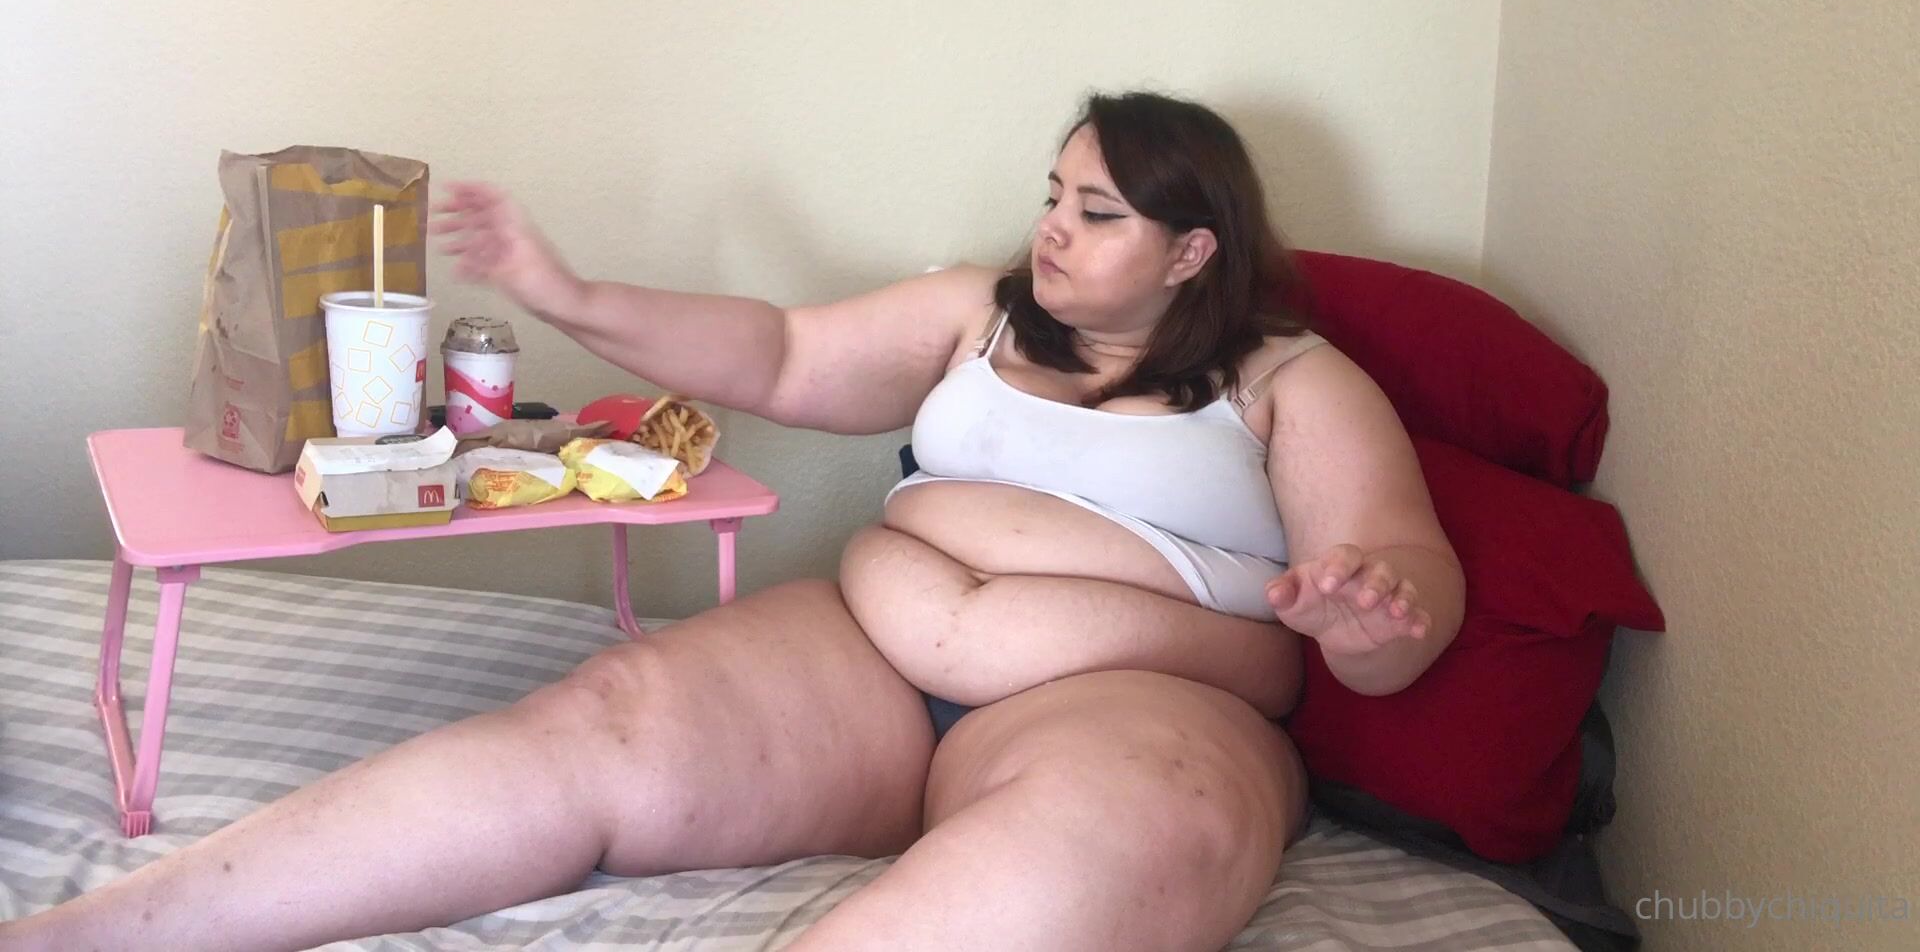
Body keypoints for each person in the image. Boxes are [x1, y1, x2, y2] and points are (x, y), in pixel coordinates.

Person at [3, 92, 1463, 952]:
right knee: (604, 716)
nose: (1051, 229)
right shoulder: (977, 313)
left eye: (1096, 212)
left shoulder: (1289, 380)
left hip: (1142, 699)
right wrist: (571, 295)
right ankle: (89, 931)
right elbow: (775, 352)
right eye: (1053, 194)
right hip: (872, 665)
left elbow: (1402, 597)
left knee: (1109, 840)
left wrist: (1365, 612)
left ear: (1193, 249)